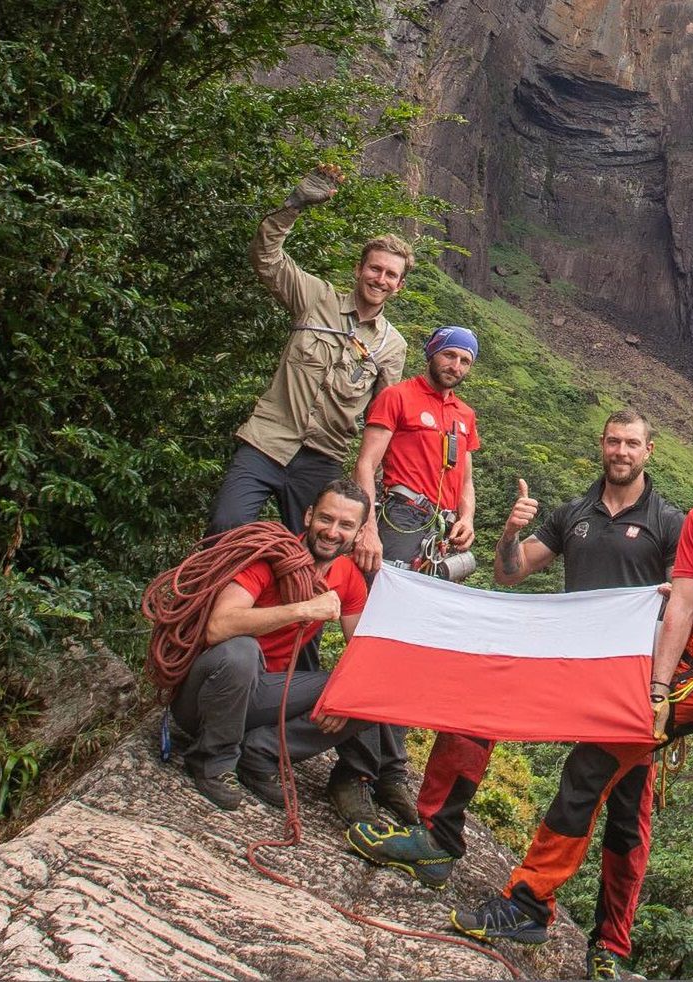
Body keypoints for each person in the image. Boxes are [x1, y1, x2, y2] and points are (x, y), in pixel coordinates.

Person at [355, 409, 683, 980]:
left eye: (632, 443)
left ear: (649, 451)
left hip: (628, 676)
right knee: (477, 705)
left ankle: (610, 948)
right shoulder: (572, 514)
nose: (621, 450)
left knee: (627, 812)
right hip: (569, 656)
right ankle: (437, 835)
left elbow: (687, 594)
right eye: (612, 441)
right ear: (601, 446)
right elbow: (511, 573)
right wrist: (509, 532)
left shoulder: (670, 522)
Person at [319, 325, 484, 826]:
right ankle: (352, 772)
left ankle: (390, 771)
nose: (456, 366)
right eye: (450, 356)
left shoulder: (465, 416)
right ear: (433, 355)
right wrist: (366, 525)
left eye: (465, 360)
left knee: (413, 652)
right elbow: (366, 463)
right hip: (397, 519)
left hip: (436, 533)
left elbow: (467, 480)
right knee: (379, 641)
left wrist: (468, 519)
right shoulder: (398, 397)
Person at [206, 165, 410, 536]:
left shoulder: (392, 345)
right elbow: (266, 258)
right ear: (358, 269)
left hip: (324, 457)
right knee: (226, 526)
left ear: (399, 286)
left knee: (317, 548)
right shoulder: (316, 298)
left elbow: (382, 420)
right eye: (375, 269)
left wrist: (372, 487)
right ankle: (212, 594)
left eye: (390, 275)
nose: (380, 279)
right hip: (267, 441)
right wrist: (295, 204)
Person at [175, 479, 383, 811]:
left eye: (345, 525)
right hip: (208, 695)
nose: (332, 532)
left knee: (369, 693)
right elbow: (219, 627)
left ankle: (260, 753)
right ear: (308, 516)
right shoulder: (269, 558)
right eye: (325, 519)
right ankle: (210, 761)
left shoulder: (347, 576)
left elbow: (364, 651)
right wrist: (303, 609)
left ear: (358, 534)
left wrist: (347, 700)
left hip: (262, 698)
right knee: (242, 650)